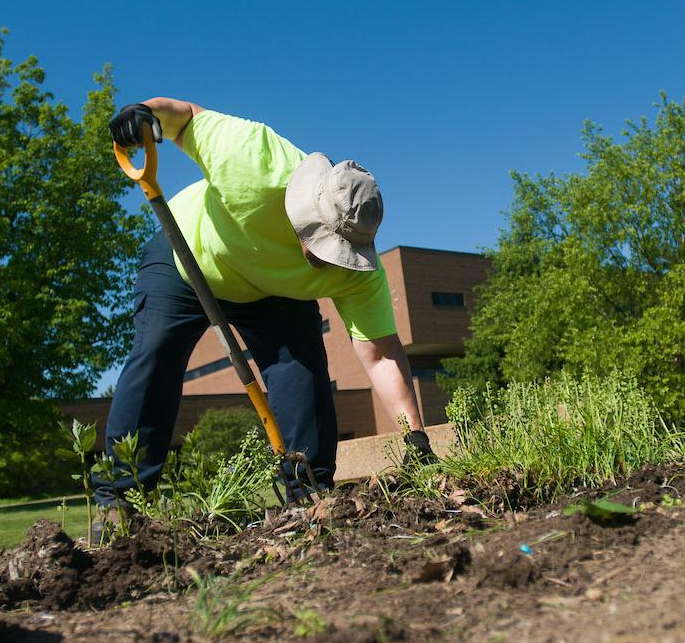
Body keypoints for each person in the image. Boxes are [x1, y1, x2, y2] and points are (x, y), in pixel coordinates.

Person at [94, 99, 434, 515]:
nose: (332, 259)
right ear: (307, 213)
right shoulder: (252, 158)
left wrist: (416, 439)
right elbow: (184, 119)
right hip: (188, 256)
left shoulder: (358, 272)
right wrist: (143, 111)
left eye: (343, 251)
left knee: (302, 372)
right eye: (328, 245)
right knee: (156, 353)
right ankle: (120, 504)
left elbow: (381, 356)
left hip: (274, 294)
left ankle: (310, 495)